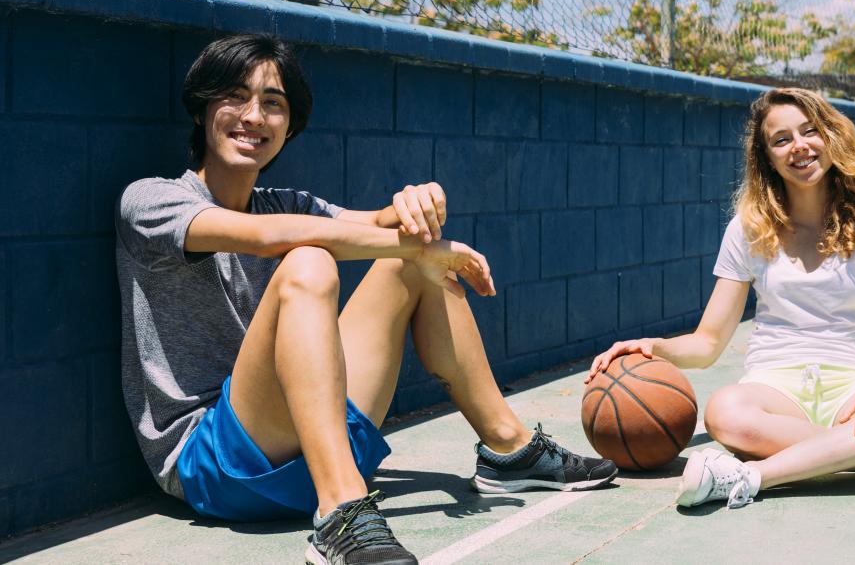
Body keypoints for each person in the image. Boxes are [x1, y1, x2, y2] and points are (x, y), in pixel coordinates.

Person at [116, 34, 616, 565]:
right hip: (216, 466)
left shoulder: (288, 204)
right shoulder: (150, 200)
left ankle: (508, 449)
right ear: (202, 108)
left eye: (274, 103)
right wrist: (434, 247)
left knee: (413, 262)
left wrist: (418, 204)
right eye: (235, 96)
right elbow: (266, 238)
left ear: (290, 126)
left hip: (311, 446)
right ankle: (340, 513)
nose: (254, 116)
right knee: (310, 259)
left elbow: (381, 226)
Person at [587, 88, 855, 509]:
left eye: (810, 131)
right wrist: (655, 348)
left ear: (831, 136)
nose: (799, 147)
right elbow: (708, 342)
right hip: (776, 386)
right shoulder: (748, 229)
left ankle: (751, 476)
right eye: (782, 139)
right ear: (766, 156)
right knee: (724, 412)